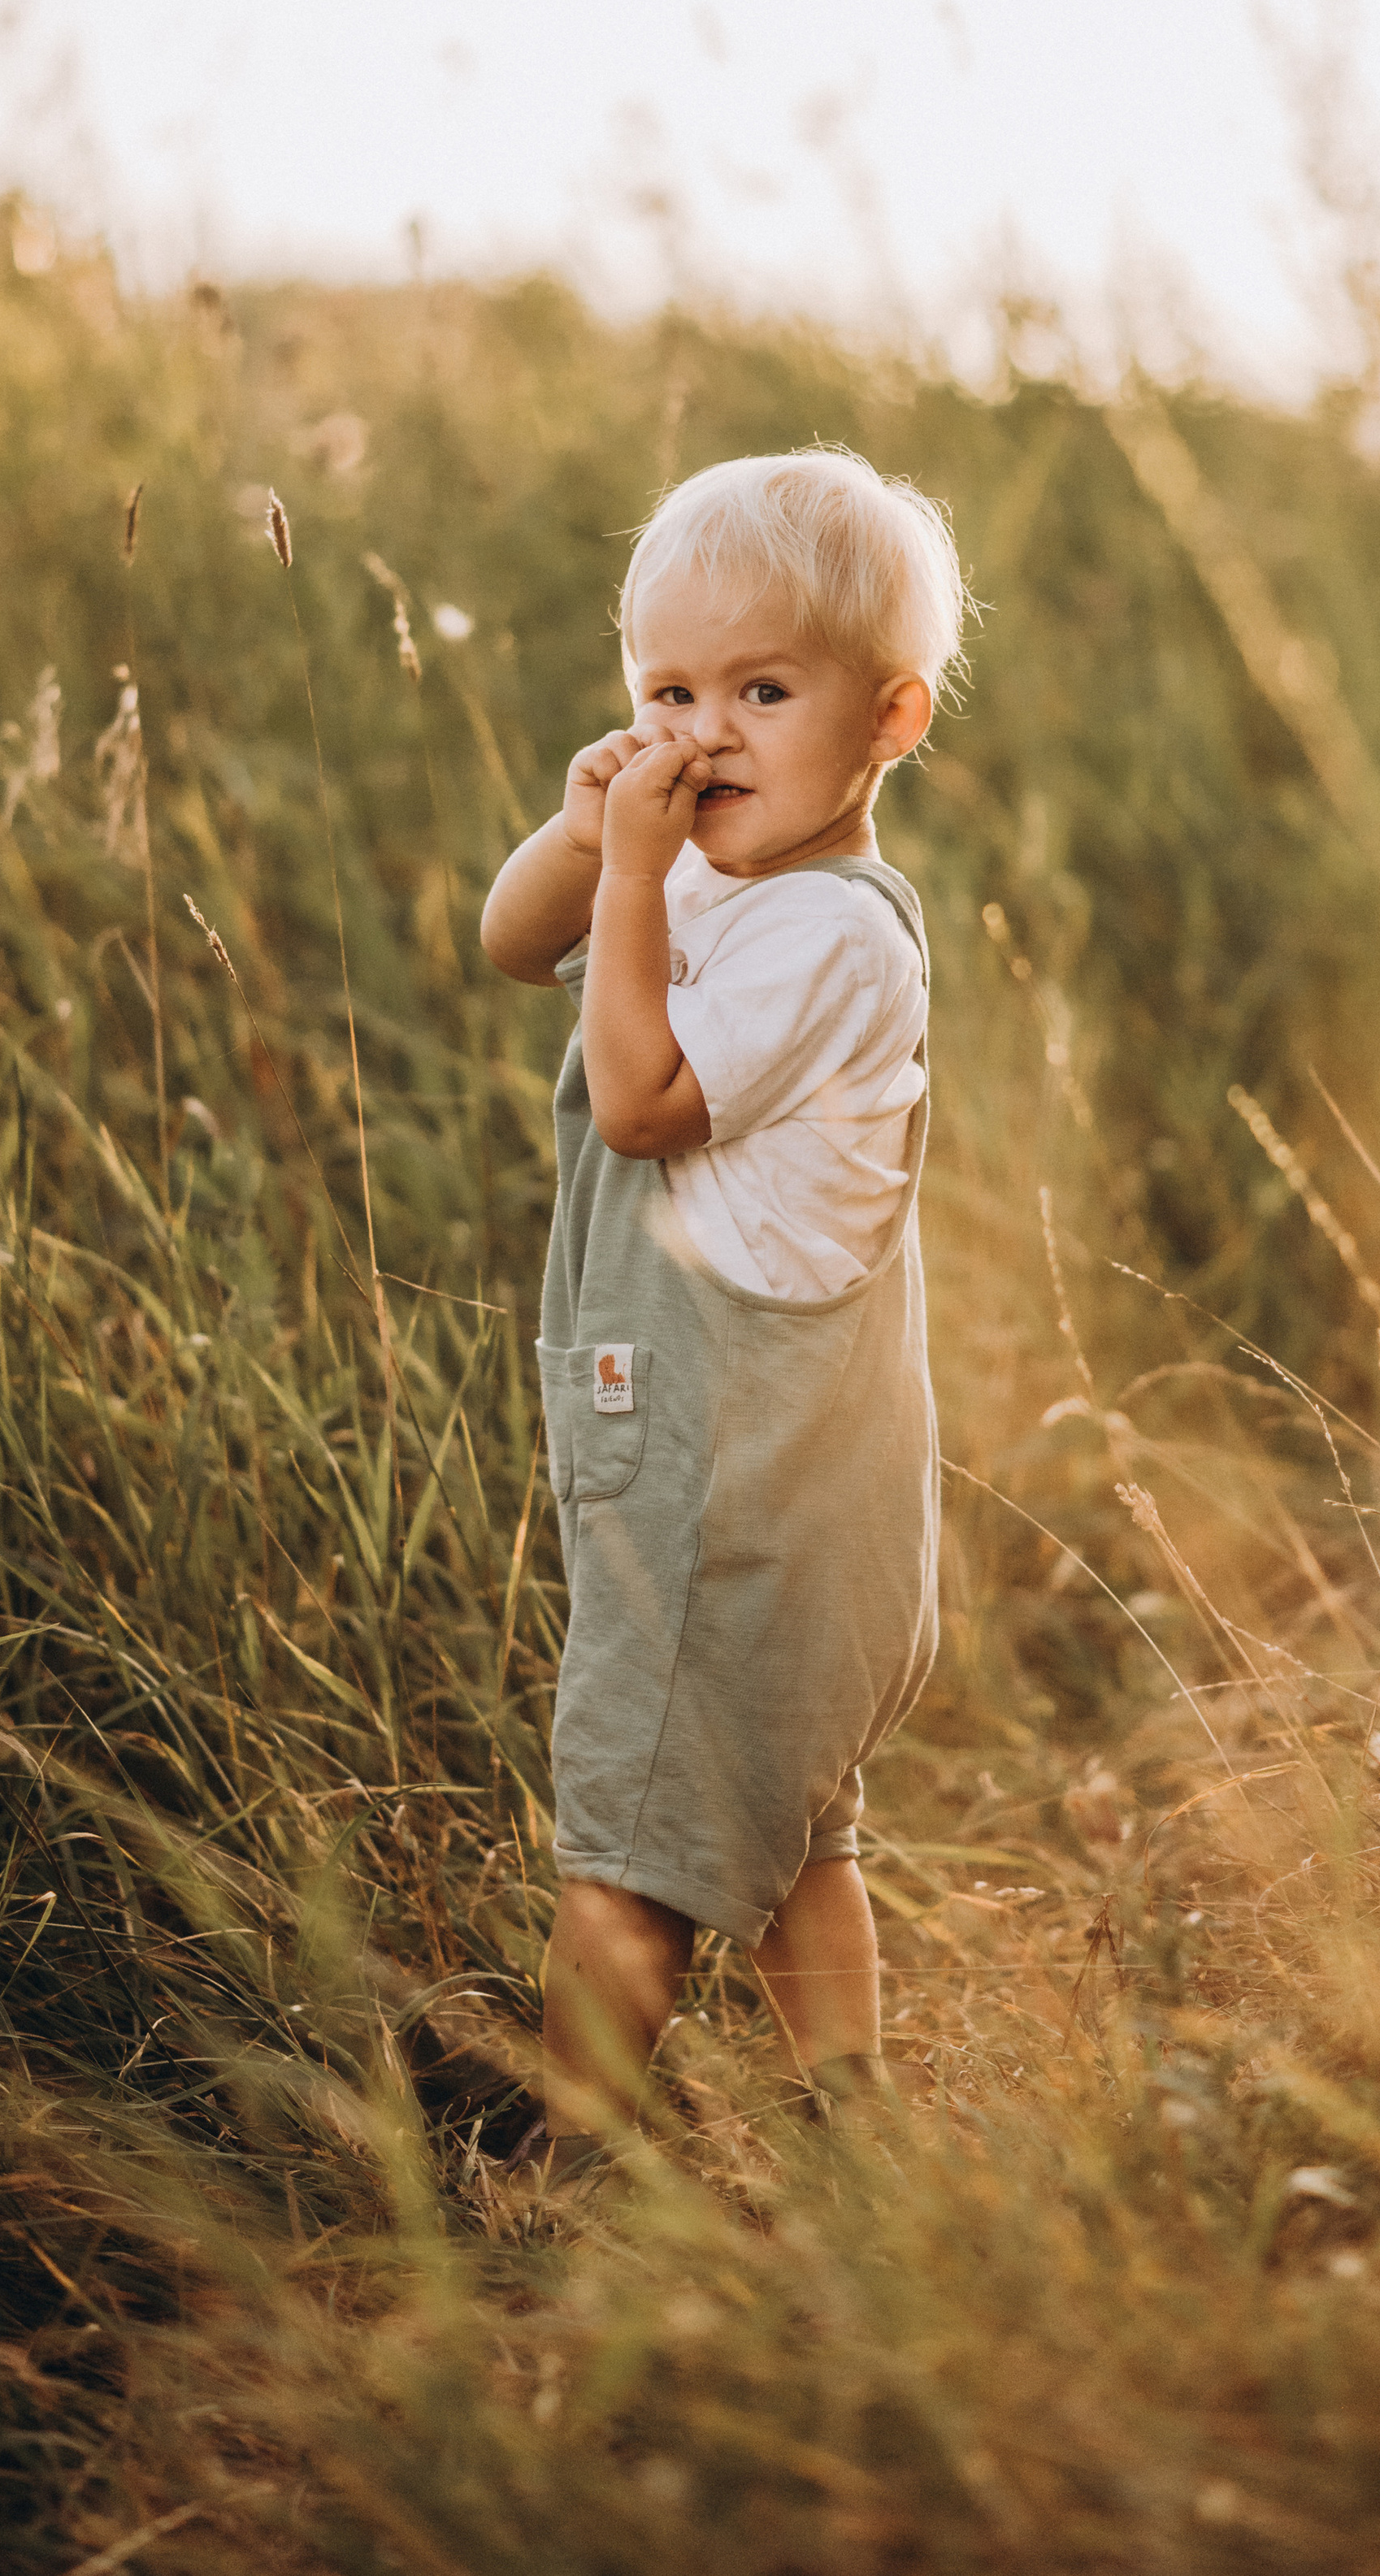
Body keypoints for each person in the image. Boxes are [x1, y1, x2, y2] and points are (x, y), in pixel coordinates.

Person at [479, 446, 966, 2171]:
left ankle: (565, 2169)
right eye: (669, 690)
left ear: (888, 719)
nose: (709, 735)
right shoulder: (703, 865)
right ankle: (851, 2123)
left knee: (628, 1847)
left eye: (763, 689)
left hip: (725, 1484)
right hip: (758, 1463)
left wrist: (631, 881)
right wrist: (575, 832)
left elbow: (639, 1102)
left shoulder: (827, 937)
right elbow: (504, 939)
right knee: (792, 1829)